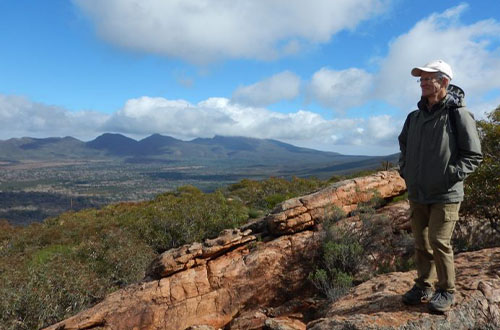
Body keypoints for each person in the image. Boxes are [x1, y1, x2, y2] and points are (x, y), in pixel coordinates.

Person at [398, 60, 483, 312]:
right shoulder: (414, 117)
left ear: (444, 81)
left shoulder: (458, 114)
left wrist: (450, 174)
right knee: (421, 243)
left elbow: (473, 155)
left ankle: (446, 290)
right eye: (421, 79)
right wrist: (406, 170)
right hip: (418, 192)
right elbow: (404, 145)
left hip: (446, 193)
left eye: (428, 79)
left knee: (438, 241)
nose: (423, 83)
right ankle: (423, 285)